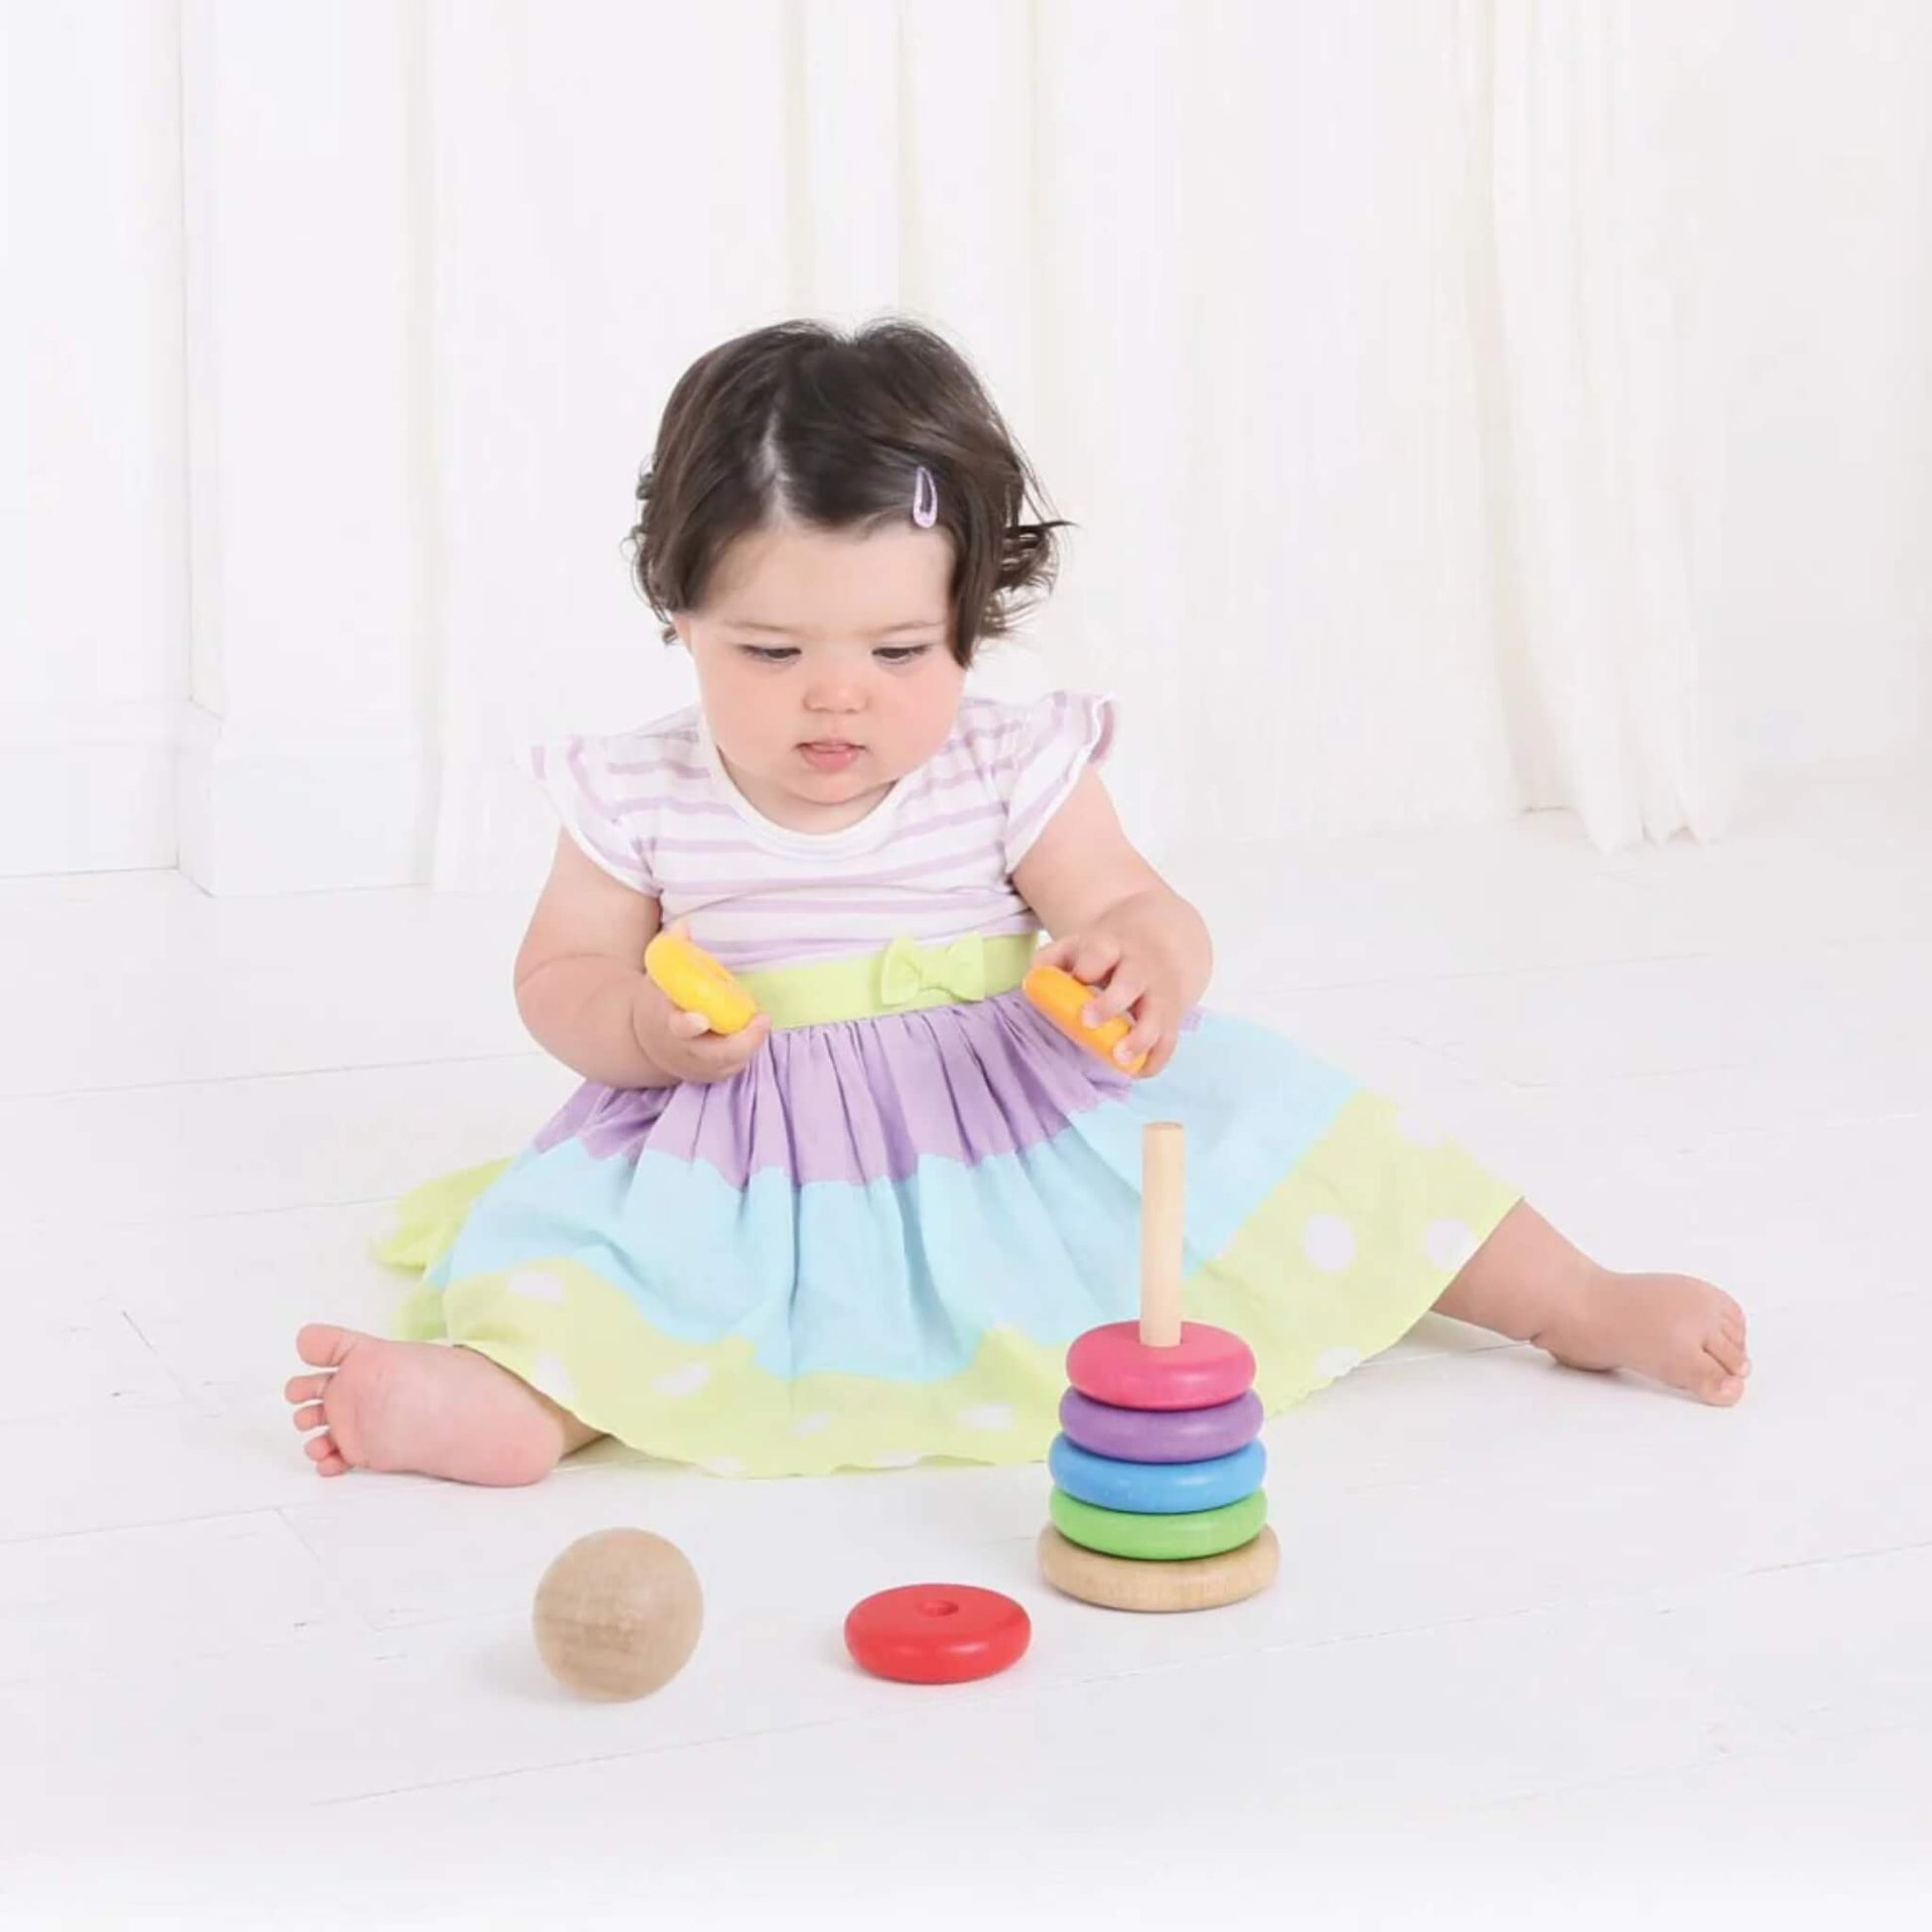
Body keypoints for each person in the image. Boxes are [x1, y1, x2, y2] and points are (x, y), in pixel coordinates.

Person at [284, 319, 1750, 1486]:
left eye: (901, 648)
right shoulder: (636, 789)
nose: (838, 694)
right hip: (743, 1148)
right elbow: (559, 974)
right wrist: (640, 1031)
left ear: (972, 620)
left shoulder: (1005, 765)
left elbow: (1133, 900)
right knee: (627, 1279)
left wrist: (1142, 957)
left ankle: (1574, 1297)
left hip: (1018, 1111)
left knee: (1310, 1145)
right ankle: (503, 1401)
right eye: (772, 650)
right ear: (678, 613)